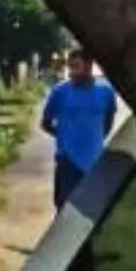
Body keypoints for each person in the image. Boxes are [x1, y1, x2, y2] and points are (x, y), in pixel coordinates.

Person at [40, 49, 118, 207]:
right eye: (70, 67)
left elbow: (108, 121)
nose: (71, 72)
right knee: (65, 213)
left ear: (89, 65)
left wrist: (96, 139)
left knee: (93, 211)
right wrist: (63, 136)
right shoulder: (60, 92)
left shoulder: (106, 92)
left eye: (76, 67)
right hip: (67, 162)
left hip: (94, 163)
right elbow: (46, 122)